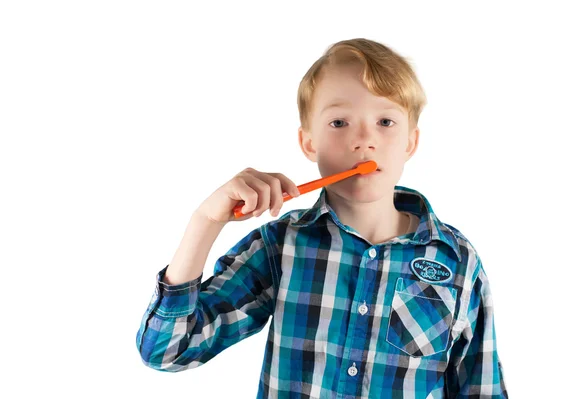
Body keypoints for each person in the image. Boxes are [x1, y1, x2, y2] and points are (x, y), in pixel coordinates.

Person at [135, 37, 508, 398]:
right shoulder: (281, 246)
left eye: (386, 122)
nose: (364, 140)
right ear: (308, 142)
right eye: (339, 123)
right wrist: (205, 221)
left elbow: (481, 387)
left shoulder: (457, 260)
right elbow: (167, 351)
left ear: (411, 142)